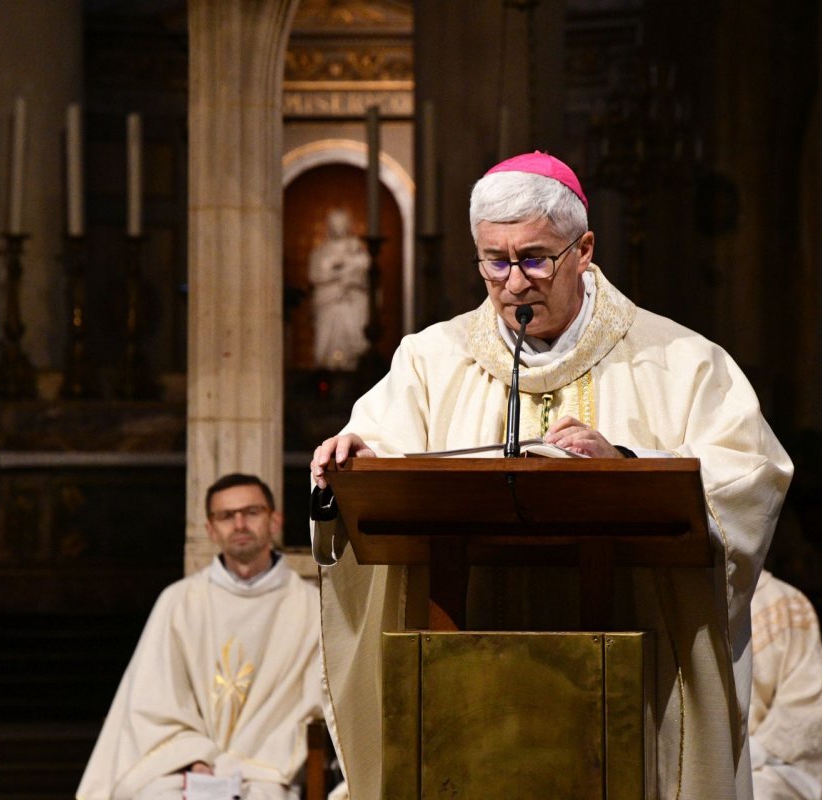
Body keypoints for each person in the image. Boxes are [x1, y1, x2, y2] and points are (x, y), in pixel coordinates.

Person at [309, 151, 794, 798]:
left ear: (584, 248)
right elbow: (381, 455)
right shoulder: (431, 359)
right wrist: (350, 462)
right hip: (465, 667)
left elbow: (748, 479)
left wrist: (627, 467)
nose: (514, 283)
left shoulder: (680, 361)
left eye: (536, 257)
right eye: (495, 261)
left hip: (630, 671)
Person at [77, 474, 323, 800]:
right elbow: (153, 703)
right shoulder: (178, 602)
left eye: (251, 512)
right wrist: (193, 759)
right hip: (184, 767)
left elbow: (320, 702)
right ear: (210, 530)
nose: (239, 524)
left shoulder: (310, 607)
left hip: (264, 768)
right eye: (225, 516)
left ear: (274, 521)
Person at [750, 570, 822, 800]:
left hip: (769, 764)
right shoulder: (678, 599)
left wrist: (750, 754)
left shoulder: (786, 602)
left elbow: (806, 702)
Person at [308, 208, 371, 371]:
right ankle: (325, 366)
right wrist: (337, 273)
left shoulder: (356, 248)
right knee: (325, 340)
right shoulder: (321, 251)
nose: (338, 227)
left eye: (341, 223)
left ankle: (349, 364)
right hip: (328, 300)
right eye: (334, 223)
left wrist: (347, 275)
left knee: (351, 336)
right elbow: (315, 275)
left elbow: (364, 271)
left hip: (350, 300)